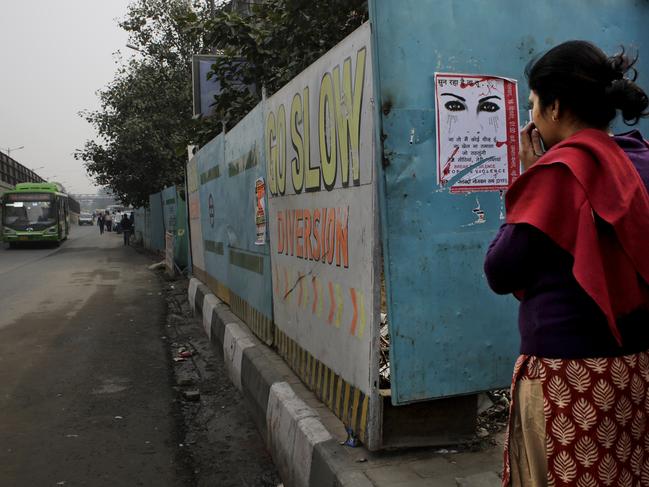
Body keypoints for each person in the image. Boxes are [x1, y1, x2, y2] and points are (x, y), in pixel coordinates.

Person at [484, 41, 649, 486]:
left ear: (555, 107)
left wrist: (527, 181)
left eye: (534, 104)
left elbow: (500, 271)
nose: (533, 116)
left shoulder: (558, 174)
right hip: (634, 371)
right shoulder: (641, 159)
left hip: (568, 379)